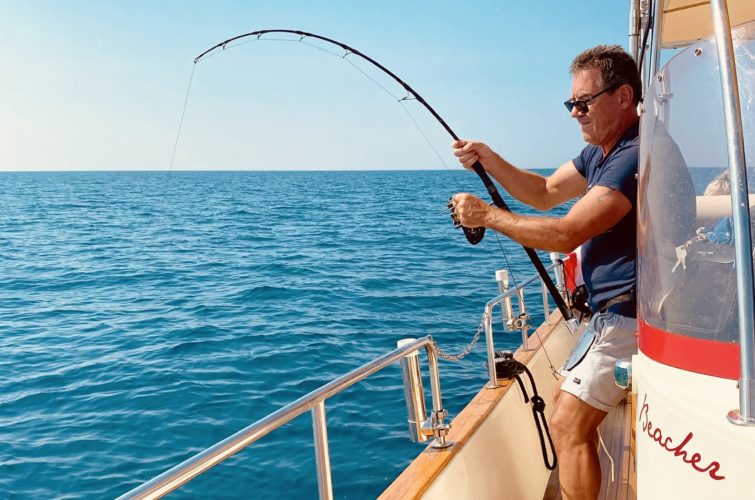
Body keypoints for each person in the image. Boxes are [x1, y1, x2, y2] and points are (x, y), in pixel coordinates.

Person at [449, 45, 641, 499]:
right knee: (566, 416)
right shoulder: (600, 152)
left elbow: (566, 233)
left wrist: (487, 216)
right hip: (611, 316)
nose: (575, 112)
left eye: (584, 102)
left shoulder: (633, 155)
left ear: (622, 96)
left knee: (567, 423)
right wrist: (490, 159)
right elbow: (543, 191)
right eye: (570, 103)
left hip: (629, 316)